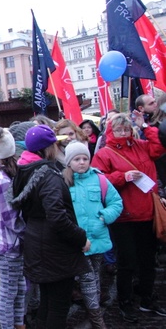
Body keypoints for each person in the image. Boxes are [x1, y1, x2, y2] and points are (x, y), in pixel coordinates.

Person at [10, 124, 90, 329]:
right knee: (58, 306)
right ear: (48, 148)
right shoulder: (48, 175)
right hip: (54, 249)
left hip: (38, 242)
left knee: (47, 302)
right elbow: (56, 216)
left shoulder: (25, 169)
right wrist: (80, 237)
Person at [91, 112, 166, 322]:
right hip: (124, 216)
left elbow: (159, 147)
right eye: (118, 129)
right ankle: (125, 302)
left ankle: (146, 298)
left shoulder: (141, 145)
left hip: (146, 213)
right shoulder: (105, 153)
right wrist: (122, 177)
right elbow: (99, 180)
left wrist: (145, 126)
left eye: (126, 129)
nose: (123, 133)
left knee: (148, 260)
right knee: (127, 262)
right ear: (110, 131)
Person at [64, 141, 123, 329]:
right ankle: (98, 320)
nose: (81, 162)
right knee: (87, 280)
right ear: (68, 162)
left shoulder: (100, 179)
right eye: (77, 159)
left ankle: (94, 311)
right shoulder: (63, 181)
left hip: (97, 239)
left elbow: (116, 203)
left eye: (85, 159)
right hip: (77, 242)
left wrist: (104, 217)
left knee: (94, 278)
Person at [0, 125, 27, 329]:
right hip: (8, 244)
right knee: (9, 292)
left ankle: (18, 324)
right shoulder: (2, 179)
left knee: (19, 287)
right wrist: (28, 234)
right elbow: (11, 218)